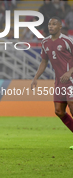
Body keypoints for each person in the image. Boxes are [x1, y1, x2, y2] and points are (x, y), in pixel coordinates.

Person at [31, 17, 73, 149]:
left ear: (60, 26)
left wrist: (69, 72)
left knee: (72, 106)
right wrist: (36, 77)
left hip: (71, 80)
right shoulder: (45, 42)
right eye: (49, 24)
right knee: (59, 111)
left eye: (54, 24)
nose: (51, 26)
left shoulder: (68, 41)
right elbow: (44, 62)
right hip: (58, 82)